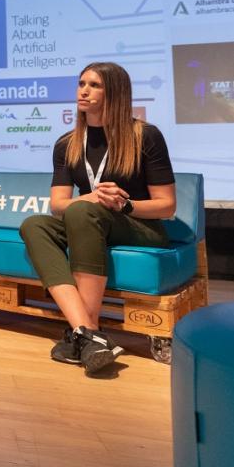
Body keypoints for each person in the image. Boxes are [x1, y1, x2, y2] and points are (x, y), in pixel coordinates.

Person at [19, 62, 176, 376]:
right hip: (88, 222)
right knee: (34, 225)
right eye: (81, 84)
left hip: (138, 226)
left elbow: (166, 206)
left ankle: (83, 336)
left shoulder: (145, 135)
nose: (84, 91)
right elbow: (58, 205)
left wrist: (125, 205)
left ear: (114, 93)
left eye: (94, 85)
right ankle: (88, 332)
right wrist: (90, 198)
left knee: (81, 211)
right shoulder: (68, 143)